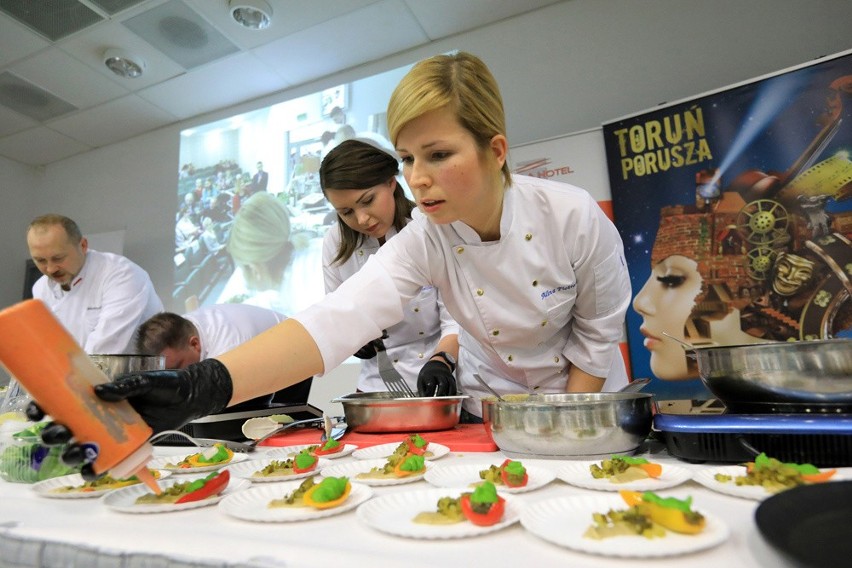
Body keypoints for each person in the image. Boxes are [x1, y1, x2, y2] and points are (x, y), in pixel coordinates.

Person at [33, 52, 631, 478]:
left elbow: (595, 341)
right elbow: (335, 320)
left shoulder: (573, 218)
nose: (417, 179)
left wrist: (557, 430)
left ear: (495, 150)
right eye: (407, 158)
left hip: (575, 407)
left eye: (439, 154)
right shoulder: (427, 236)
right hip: (486, 408)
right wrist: (199, 385)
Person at [320, 138, 460, 394]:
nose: (362, 219)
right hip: (375, 387)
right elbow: (337, 313)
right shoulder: (336, 244)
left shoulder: (428, 230)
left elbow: (457, 320)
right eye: (346, 212)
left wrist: (441, 361)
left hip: (439, 377)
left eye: (368, 200)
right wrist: (352, 339)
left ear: (391, 182)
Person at [26, 214, 163, 355]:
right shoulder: (41, 288)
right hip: (77, 373)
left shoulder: (121, 274)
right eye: (40, 260)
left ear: (83, 245)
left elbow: (104, 351)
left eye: (58, 258)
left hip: (138, 375)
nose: (50, 269)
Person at [134, 305, 287, 409]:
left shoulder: (228, 347)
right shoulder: (181, 330)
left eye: (176, 368)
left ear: (194, 344)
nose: (170, 377)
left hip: (297, 373)